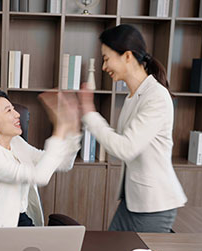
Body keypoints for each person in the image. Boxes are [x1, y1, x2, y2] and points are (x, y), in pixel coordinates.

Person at [78, 24, 187, 232]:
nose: (104, 66)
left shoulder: (156, 96)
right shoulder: (133, 96)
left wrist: (89, 112)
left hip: (154, 204)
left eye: (107, 58)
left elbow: (125, 148)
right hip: (134, 200)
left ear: (127, 56)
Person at [0, 90, 81, 229]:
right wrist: (60, 128)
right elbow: (40, 177)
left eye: (14, 109)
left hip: (22, 221)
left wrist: (72, 131)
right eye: (9, 111)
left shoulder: (16, 142)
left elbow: (64, 164)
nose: (17, 114)